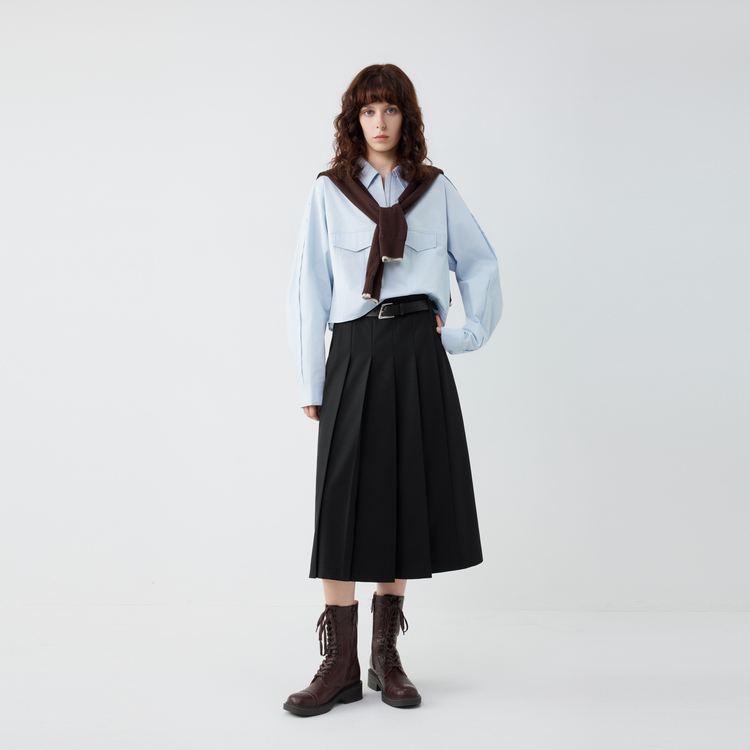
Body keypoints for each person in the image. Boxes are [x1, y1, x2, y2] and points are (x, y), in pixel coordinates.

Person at [284, 63, 502, 717]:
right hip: (354, 350)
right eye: (368, 110)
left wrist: (461, 336)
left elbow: (480, 262)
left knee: (404, 495)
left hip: (415, 350)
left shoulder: (435, 189)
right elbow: (309, 288)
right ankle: (339, 665)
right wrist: (311, 377)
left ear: (407, 117)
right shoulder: (329, 192)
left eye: (390, 109)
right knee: (342, 499)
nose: (379, 122)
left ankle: (386, 656)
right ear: (354, 120)